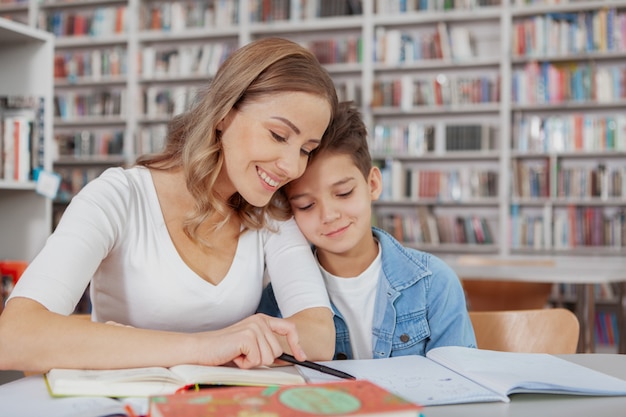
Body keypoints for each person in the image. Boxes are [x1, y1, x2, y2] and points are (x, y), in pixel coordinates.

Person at [0, 37, 339, 373]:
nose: (293, 167)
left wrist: (250, 341)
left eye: (306, 149)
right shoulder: (118, 196)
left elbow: (319, 335)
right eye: (279, 136)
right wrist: (206, 347)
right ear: (222, 113)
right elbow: (13, 337)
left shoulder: (271, 214)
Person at [258, 101, 476, 359]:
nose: (328, 215)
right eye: (306, 205)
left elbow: (461, 383)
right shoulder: (279, 299)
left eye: (343, 193)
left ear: (372, 184)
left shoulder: (434, 284)